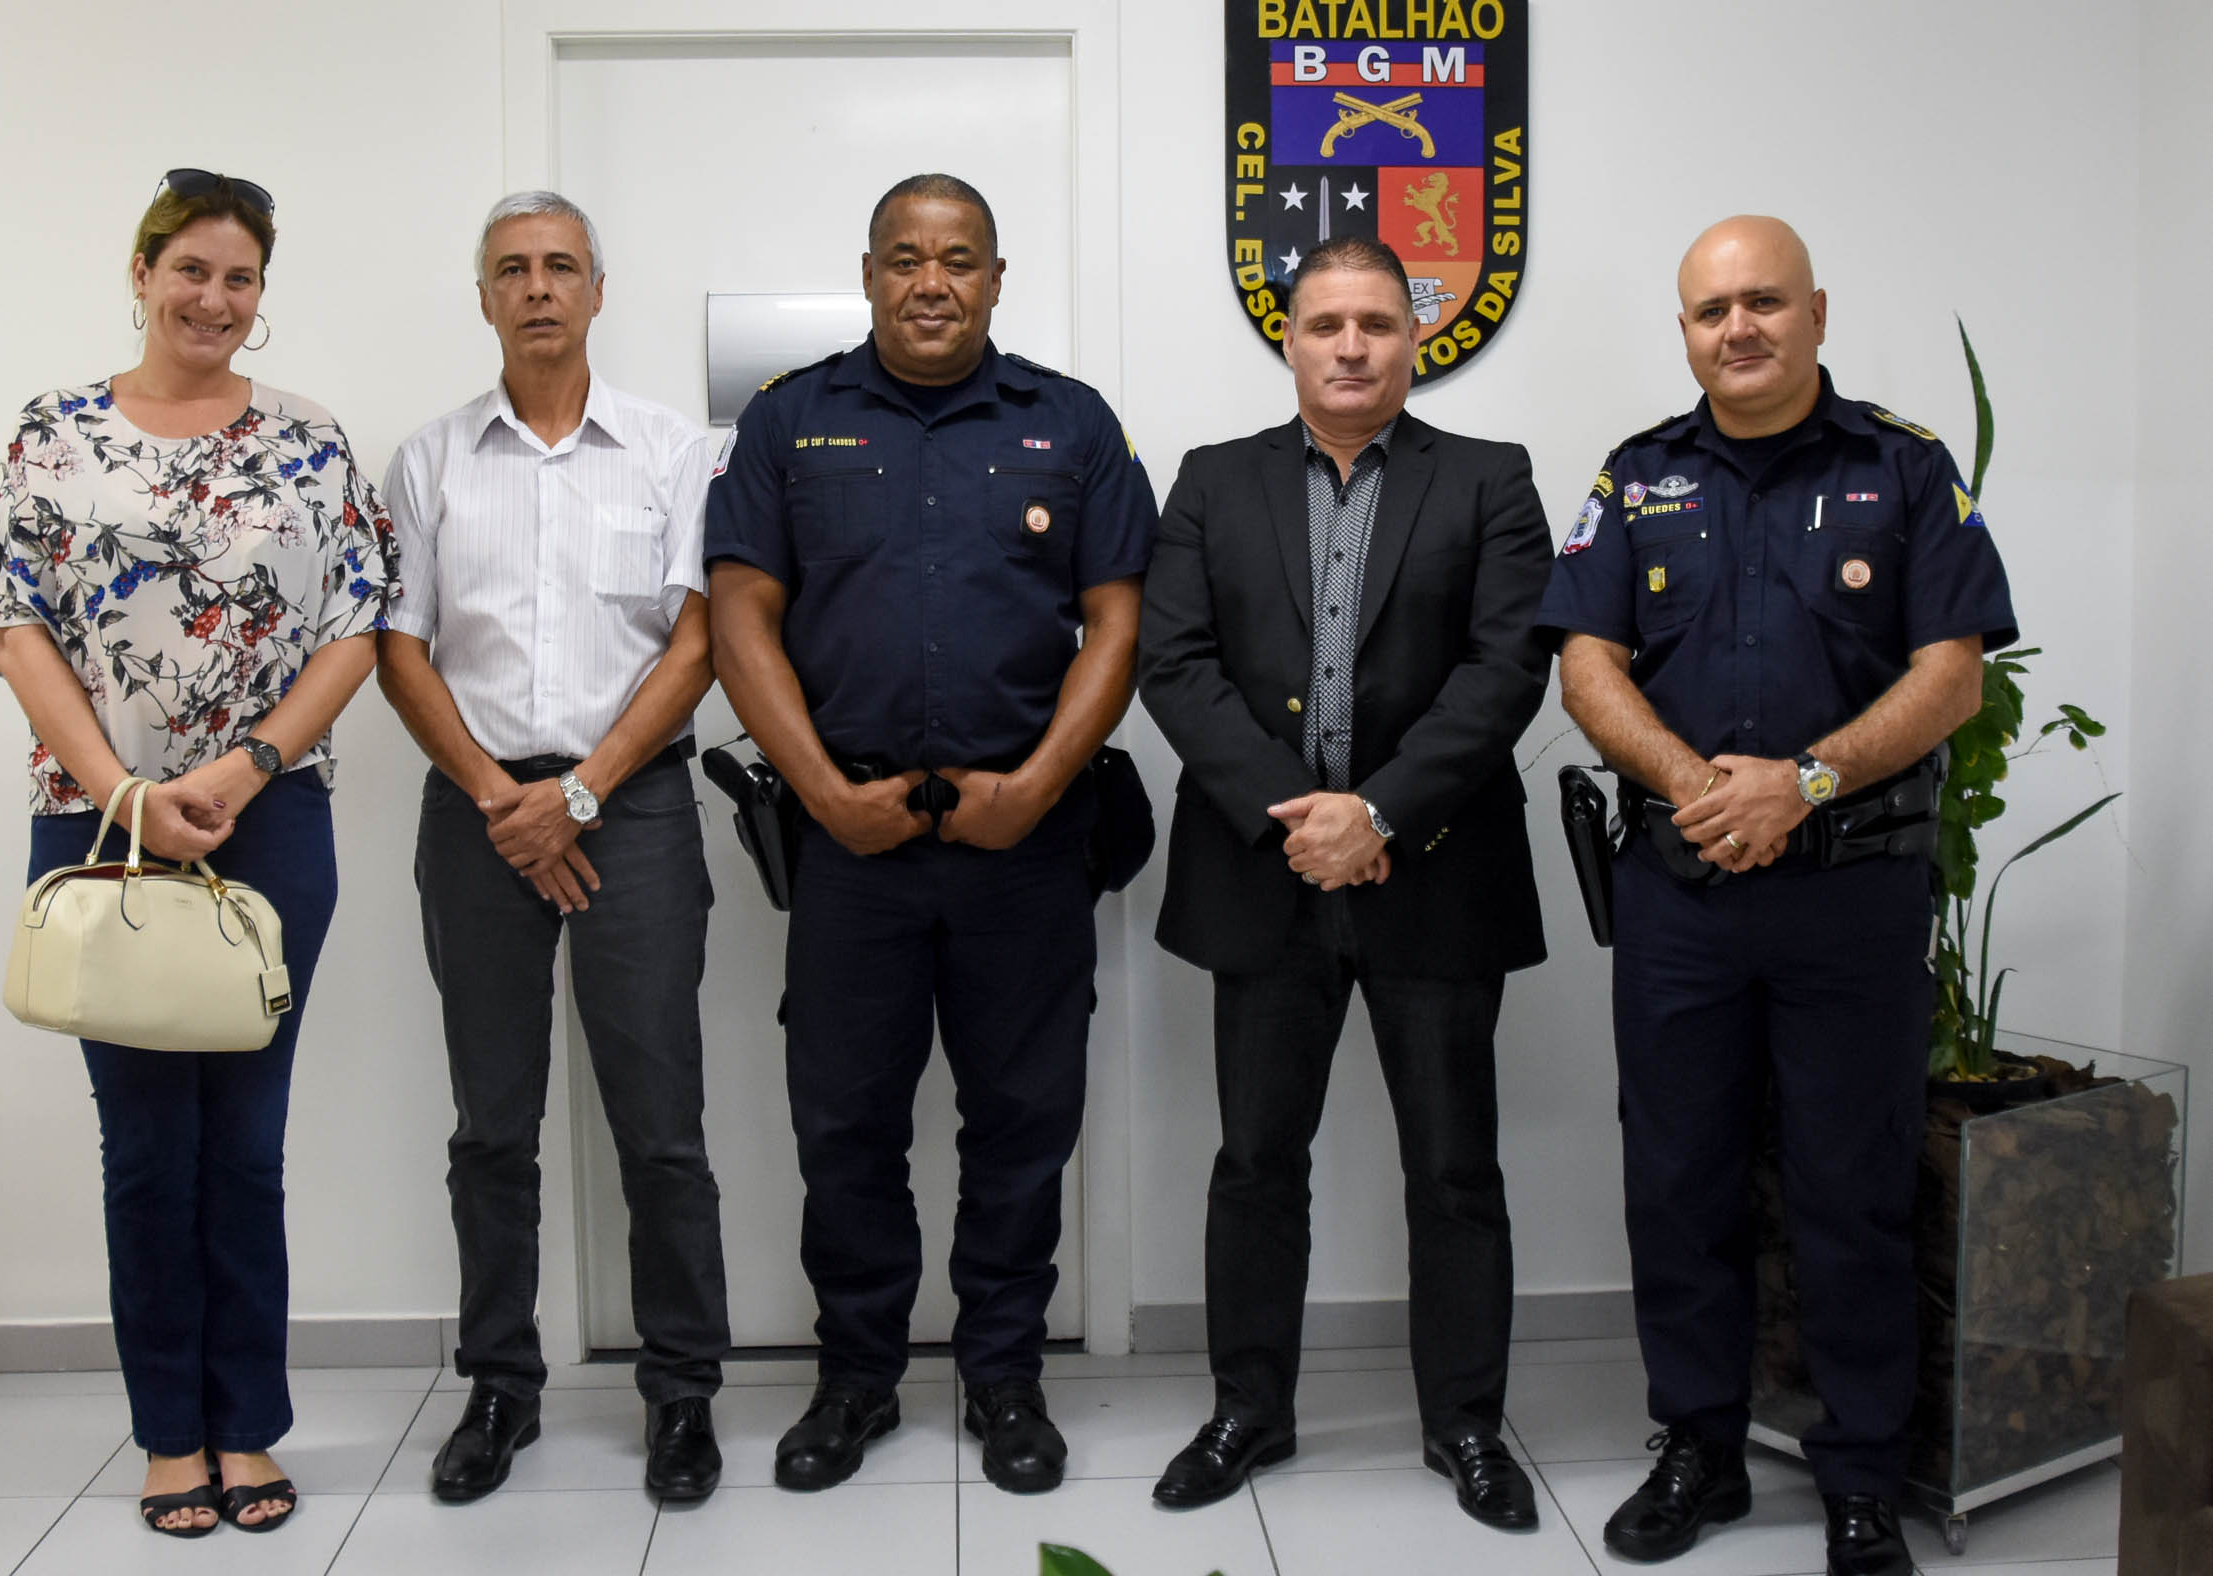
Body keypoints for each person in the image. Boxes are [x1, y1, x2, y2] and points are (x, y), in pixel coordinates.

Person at [1536, 216, 2018, 1576]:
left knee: (1850, 1180)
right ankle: (1697, 1447)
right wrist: (1707, 789)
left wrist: (1798, 782)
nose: (1734, 329)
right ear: (1683, 331)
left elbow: (1951, 674)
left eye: (1760, 302)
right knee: (1677, 1175)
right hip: (1680, 891)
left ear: (1815, 311)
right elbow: (1585, 666)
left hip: (1849, 896)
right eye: (1708, 311)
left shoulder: (1901, 469)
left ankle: (1859, 1474)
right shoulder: (1637, 481)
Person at [0, 169, 395, 1538]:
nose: (212, 297)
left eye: (239, 276)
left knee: (244, 1145)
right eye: (189, 268)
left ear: (261, 297)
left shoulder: (310, 439)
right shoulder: (56, 433)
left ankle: (246, 1424)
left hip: (272, 819)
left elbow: (357, 627)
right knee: (145, 1148)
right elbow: (9, 619)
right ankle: (167, 1434)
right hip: (97, 825)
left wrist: (238, 768)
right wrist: (124, 794)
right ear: (140, 273)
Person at [704, 172, 1156, 1495]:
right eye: (905, 258)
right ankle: (855, 1381)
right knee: (843, 1123)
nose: (931, 282)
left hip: (1025, 842)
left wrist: (1036, 781)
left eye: (958, 259)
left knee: (1021, 1119)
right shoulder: (793, 422)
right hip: (853, 842)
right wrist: (819, 794)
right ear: (866, 273)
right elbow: (740, 616)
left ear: (997, 279)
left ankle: (1002, 1378)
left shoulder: (1068, 426)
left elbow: (1115, 623)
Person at [1136, 235, 1552, 1527]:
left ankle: (1467, 1428)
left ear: (1413, 340)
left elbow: (1503, 671)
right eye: (1326, 324)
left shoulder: (1489, 481)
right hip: (1264, 881)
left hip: (1433, 871)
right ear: (1288, 339)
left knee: (1453, 1169)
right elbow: (1176, 664)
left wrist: (1376, 813)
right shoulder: (1210, 483)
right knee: (1256, 1162)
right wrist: (1295, 821)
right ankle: (1248, 1410)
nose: (1351, 346)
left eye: (1376, 323)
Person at [376, 191, 730, 1505]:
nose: (536, 289)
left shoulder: (668, 452)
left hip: (626, 807)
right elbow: (397, 646)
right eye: (511, 270)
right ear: (482, 298)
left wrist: (577, 792)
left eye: (559, 267)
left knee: (662, 1124)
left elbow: (697, 644)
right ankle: (498, 1387)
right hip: (476, 816)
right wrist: (497, 797)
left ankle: (682, 1393)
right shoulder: (428, 461)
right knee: (492, 1125)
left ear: (596, 290)